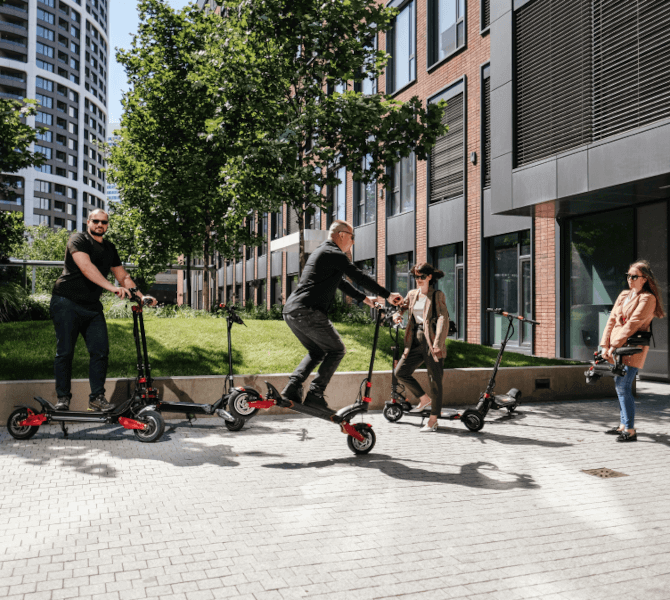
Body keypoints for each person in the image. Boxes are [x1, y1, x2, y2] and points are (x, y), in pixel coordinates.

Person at [282, 220, 403, 409]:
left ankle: (292, 388)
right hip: (308, 311)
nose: (353, 242)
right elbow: (359, 276)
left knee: (317, 351)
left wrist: (364, 299)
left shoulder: (323, 252)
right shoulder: (334, 252)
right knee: (337, 349)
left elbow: (341, 283)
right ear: (342, 235)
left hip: (292, 311)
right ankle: (315, 393)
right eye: (352, 237)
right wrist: (387, 295)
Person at [50, 209, 156, 412]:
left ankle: (97, 397)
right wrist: (112, 288)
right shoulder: (78, 240)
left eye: (104, 222)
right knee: (64, 352)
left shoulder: (109, 248)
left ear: (107, 225)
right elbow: (86, 267)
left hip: (91, 306)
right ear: (88, 221)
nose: (100, 225)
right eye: (96, 221)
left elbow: (123, 276)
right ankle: (63, 398)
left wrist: (142, 297)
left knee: (100, 351)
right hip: (66, 301)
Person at [600, 259, 664, 442]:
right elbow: (611, 320)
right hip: (616, 347)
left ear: (645, 279)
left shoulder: (647, 298)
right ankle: (622, 425)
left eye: (634, 276)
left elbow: (633, 324)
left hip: (631, 348)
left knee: (623, 386)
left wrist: (614, 345)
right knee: (620, 385)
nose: (630, 279)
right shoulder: (623, 295)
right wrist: (605, 345)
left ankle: (629, 429)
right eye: (628, 276)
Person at [392, 262, 450, 432]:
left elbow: (442, 318)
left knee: (435, 381)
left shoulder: (437, 295)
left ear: (429, 277)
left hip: (431, 342)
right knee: (400, 372)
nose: (418, 280)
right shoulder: (412, 294)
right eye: (416, 277)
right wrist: (397, 314)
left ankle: (433, 420)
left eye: (422, 277)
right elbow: (403, 307)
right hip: (414, 342)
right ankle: (424, 399)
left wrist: (439, 343)